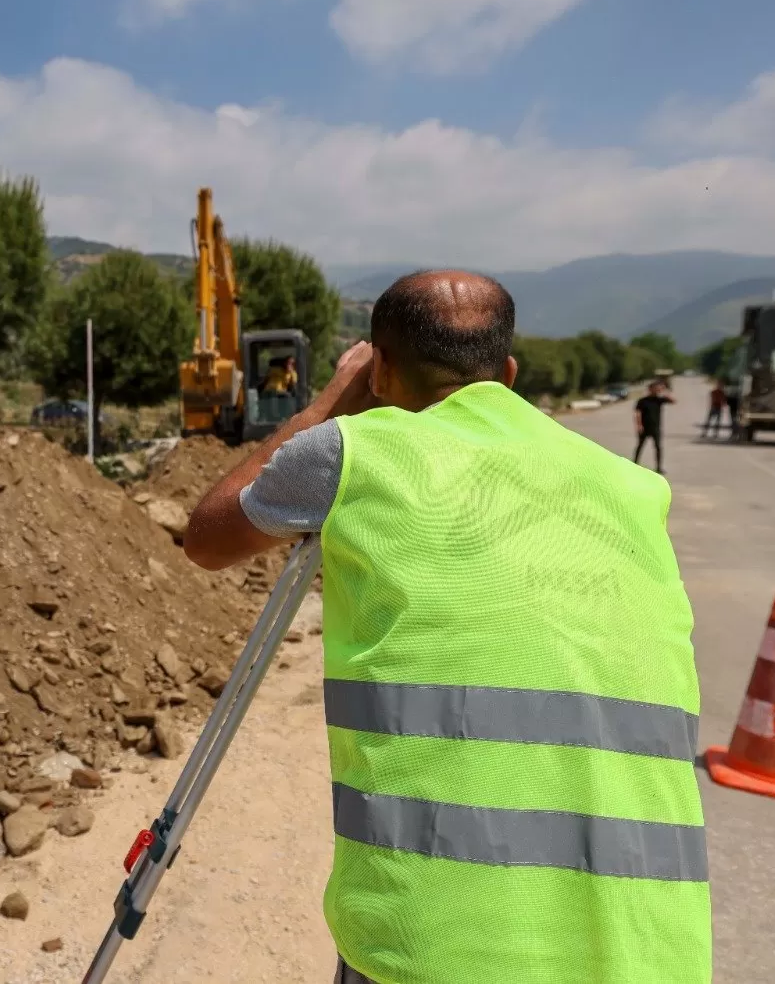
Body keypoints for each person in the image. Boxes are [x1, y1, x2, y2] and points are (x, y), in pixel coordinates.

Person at [181, 270, 711, 984]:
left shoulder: (357, 451)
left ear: (381, 369)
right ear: (510, 374)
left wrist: (328, 405)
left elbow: (207, 538)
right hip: (644, 950)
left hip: (435, 949)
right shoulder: (633, 489)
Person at [634, 381, 674, 471]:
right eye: (654, 388)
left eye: (657, 388)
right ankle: (635, 464)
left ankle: (659, 467)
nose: (656, 390)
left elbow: (673, 401)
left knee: (658, 447)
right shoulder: (643, 401)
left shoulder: (659, 400)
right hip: (644, 427)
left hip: (656, 428)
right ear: (650, 389)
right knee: (640, 446)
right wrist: (639, 425)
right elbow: (638, 413)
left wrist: (664, 391)